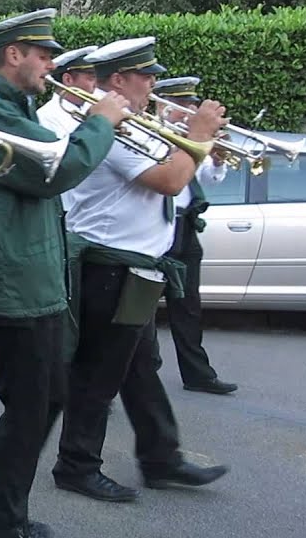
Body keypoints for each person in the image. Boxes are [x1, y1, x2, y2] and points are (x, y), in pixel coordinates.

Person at [0, 11, 128, 538]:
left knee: (48, 396)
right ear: (14, 55)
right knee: (31, 407)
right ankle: (6, 521)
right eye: (44, 55)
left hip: (30, 278)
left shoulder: (14, 108)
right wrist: (101, 122)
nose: (52, 65)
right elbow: (58, 171)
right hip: (13, 284)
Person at [54, 38, 230, 502]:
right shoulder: (106, 126)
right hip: (110, 269)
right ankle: (76, 465)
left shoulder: (135, 123)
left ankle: (160, 457)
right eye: (146, 76)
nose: (153, 85)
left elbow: (178, 172)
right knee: (98, 374)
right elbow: (169, 180)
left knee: (140, 370)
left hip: (135, 270)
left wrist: (202, 146)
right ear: (119, 80)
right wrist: (200, 135)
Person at [153, 76, 237, 395]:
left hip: (185, 227)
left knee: (188, 306)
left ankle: (198, 374)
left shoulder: (192, 136)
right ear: (163, 105)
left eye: (191, 104)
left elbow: (209, 179)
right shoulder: (149, 132)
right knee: (139, 307)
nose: (190, 111)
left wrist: (217, 159)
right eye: (182, 105)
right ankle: (138, 374)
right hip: (154, 225)